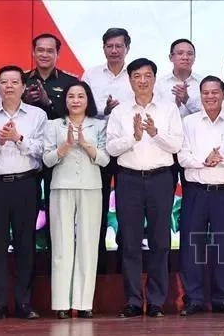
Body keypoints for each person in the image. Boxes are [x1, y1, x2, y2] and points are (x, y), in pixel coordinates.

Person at [106, 58, 183, 318]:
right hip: (128, 180)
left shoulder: (168, 109)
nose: (142, 80)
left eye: (147, 75)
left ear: (154, 78)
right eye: (137, 76)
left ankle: (157, 301)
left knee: (161, 242)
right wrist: (134, 137)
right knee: (129, 242)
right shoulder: (119, 112)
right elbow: (111, 148)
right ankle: (133, 301)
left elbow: (176, 145)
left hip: (161, 178)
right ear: (130, 80)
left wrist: (154, 133)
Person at [0, 65, 47, 321]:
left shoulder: (37, 115)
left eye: (14, 82)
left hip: (26, 185)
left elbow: (42, 150)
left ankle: (23, 303)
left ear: (23, 86)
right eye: (4, 82)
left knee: (25, 244)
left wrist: (18, 138)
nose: (9, 86)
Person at [43, 81, 109, 319]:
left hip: (91, 187)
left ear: (88, 100)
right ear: (65, 100)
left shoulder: (99, 125)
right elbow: (47, 159)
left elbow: (104, 159)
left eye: (81, 96)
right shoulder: (53, 126)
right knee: (61, 245)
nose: (75, 100)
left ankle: (83, 303)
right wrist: (66, 147)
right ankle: (61, 302)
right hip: (61, 186)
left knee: (88, 245)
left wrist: (84, 144)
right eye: (71, 96)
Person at [177, 76, 224, 316]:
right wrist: (204, 161)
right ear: (200, 95)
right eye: (205, 93)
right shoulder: (189, 122)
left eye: (215, 92)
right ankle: (193, 298)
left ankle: (222, 298)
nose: (210, 97)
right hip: (196, 191)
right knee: (192, 246)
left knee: (223, 246)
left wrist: (221, 159)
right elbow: (182, 157)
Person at [81, 27, 133, 271]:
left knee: (127, 208)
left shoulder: (135, 76)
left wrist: (121, 112)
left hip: (127, 150)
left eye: (119, 46)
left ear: (127, 49)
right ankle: (97, 264)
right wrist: (106, 110)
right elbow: (81, 108)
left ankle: (125, 263)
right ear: (103, 48)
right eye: (109, 46)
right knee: (96, 207)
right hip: (97, 149)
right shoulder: (90, 75)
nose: (114, 51)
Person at [24, 33, 78, 249]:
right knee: (29, 208)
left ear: (58, 53)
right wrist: (25, 103)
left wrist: (48, 103)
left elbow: (73, 117)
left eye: (49, 50)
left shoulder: (71, 82)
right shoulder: (21, 80)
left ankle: (57, 252)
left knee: (60, 208)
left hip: (60, 154)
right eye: (40, 50)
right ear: (33, 51)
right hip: (29, 155)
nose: (44, 54)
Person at [155, 38, 203, 117]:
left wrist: (187, 100)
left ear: (194, 58)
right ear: (171, 57)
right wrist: (176, 105)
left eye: (190, 54)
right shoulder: (159, 85)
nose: (185, 57)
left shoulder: (203, 83)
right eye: (180, 53)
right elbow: (157, 115)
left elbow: (209, 113)